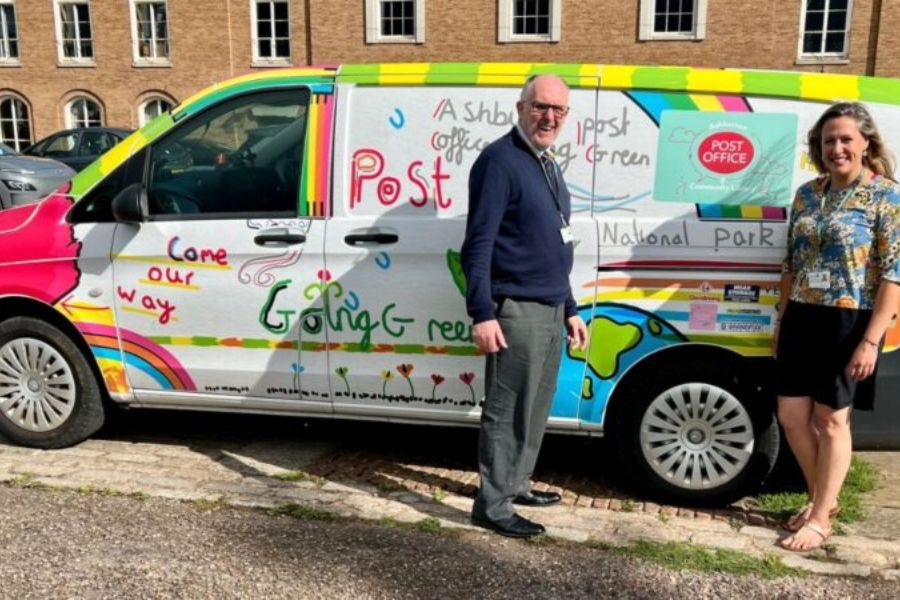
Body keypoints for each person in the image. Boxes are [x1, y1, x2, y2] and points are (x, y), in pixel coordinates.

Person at [460, 74, 589, 538]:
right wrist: (482, 312)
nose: (549, 117)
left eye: (558, 110)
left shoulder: (546, 162)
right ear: (520, 107)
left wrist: (570, 306)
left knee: (535, 407)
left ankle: (516, 484)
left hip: (550, 307)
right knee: (508, 408)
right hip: (515, 310)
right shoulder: (499, 161)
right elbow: (478, 244)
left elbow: (552, 245)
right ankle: (492, 505)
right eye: (540, 107)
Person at [775, 102, 900, 552]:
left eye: (846, 139)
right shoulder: (808, 193)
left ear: (866, 142)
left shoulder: (887, 196)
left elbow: (894, 274)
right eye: (829, 140)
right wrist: (782, 317)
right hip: (802, 315)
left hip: (850, 320)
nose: (837, 148)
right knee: (791, 416)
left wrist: (870, 341)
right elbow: (791, 261)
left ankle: (821, 516)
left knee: (830, 420)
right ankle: (820, 500)